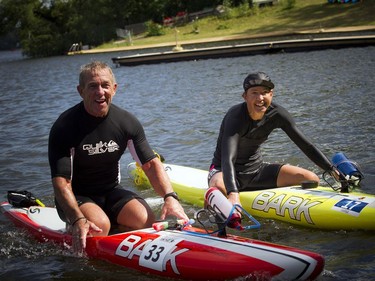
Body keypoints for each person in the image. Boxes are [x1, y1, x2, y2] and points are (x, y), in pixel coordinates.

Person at [48, 61, 188, 253]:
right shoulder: (65, 127)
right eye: (92, 86)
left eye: (105, 85)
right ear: (80, 91)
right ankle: (77, 227)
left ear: (114, 89)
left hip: (110, 190)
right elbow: (61, 183)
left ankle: (114, 228)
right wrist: (77, 218)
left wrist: (170, 197)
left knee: (145, 220)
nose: (100, 92)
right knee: (99, 228)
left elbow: (150, 164)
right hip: (77, 196)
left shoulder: (126, 122)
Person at [208, 72, 339, 207]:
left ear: (271, 94)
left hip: (256, 171)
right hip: (222, 171)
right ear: (245, 96)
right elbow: (228, 158)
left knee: (311, 178)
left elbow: (306, 145)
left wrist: (331, 170)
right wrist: (232, 193)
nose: (260, 98)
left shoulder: (277, 114)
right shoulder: (235, 116)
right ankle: (224, 197)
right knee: (219, 186)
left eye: (265, 92)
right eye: (254, 93)